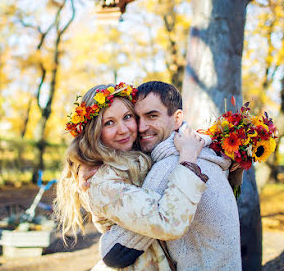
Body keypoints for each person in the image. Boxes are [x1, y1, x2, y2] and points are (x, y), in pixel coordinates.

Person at [80, 81, 242, 270]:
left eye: (152, 116)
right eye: (136, 117)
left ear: (177, 118)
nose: (139, 128)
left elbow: (116, 254)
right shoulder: (202, 151)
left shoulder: (172, 165)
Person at [54, 82, 211, 270]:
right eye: (109, 122)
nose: (123, 129)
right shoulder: (102, 183)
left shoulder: (136, 156)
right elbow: (169, 222)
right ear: (94, 131)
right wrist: (188, 159)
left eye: (127, 117)